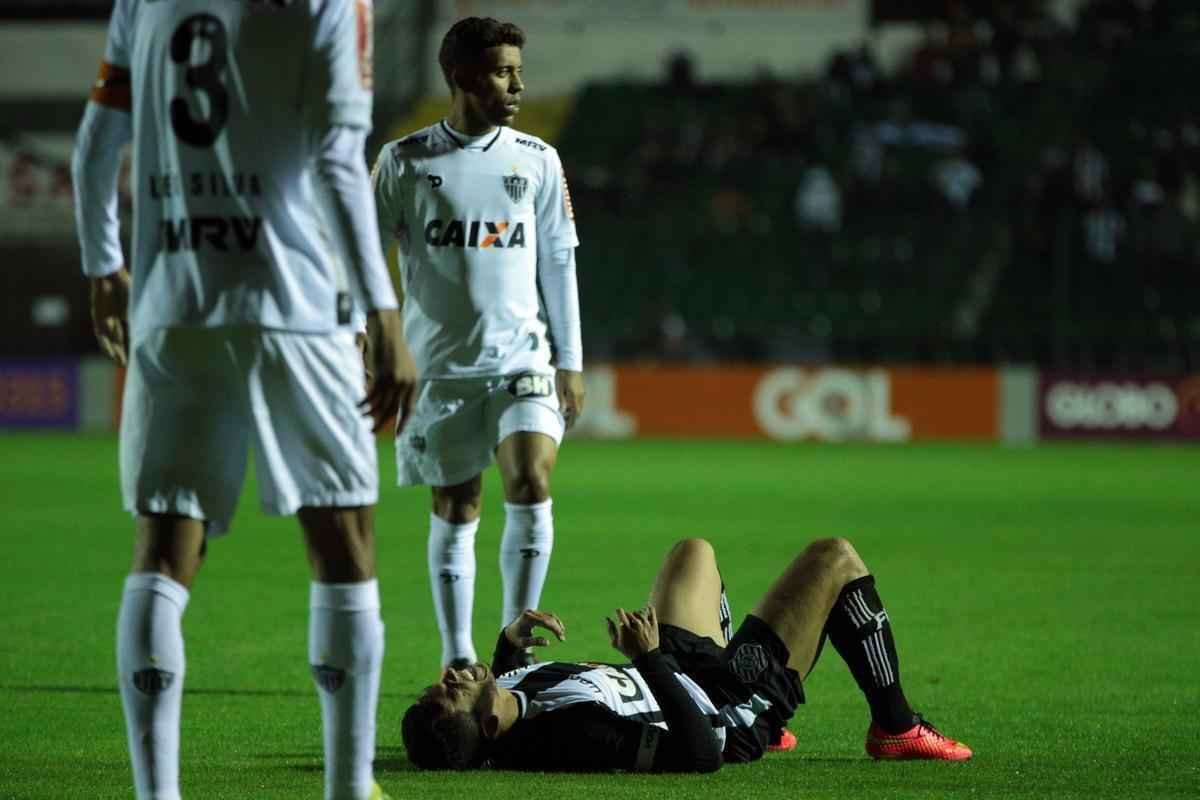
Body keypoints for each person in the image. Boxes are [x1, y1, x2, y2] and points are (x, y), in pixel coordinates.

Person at [71, 2, 416, 799]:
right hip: (294, 304)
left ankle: (156, 793)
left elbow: (96, 146)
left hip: (174, 301)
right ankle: (346, 785)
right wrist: (383, 309)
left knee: (162, 552)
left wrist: (103, 267)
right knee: (343, 537)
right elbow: (335, 157)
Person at [371, 17, 585, 670]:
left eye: (519, 70)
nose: (517, 84)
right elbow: (362, 255)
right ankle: (459, 654)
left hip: (523, 359)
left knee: (530, 477)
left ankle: (515, 646)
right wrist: (377, 340)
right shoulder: (404, 161)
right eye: (502, 71)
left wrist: (570, 362)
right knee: (457, 503)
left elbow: (558, 262)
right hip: (439, 371)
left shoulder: (539, 161)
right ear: (462, 76)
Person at [401, 537, 972, 771]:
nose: (452, 675)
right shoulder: (573, 736)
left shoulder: (511, 706)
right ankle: (895, 727)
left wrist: (507, 648)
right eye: (453, 691)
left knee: (692, 553)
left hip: (672, 670)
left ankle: (724, 664)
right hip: (723, 707)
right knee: (835, 560)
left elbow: (510, 703)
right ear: (486, 724)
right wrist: (649, 659)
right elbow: (701, 756)